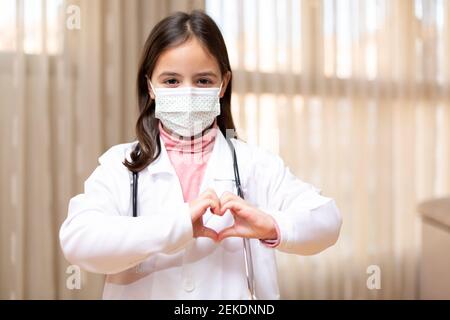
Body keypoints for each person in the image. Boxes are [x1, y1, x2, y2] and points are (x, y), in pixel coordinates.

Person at [59, 10, 342, 300]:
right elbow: (78, 239)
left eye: (203, 81)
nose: (189, 93)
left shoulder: (256, 164)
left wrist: (272, 224)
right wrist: (176, 225)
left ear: (223, 84)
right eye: (171, 81)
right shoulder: (120, 166)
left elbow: (327, 220)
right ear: (150, 86)